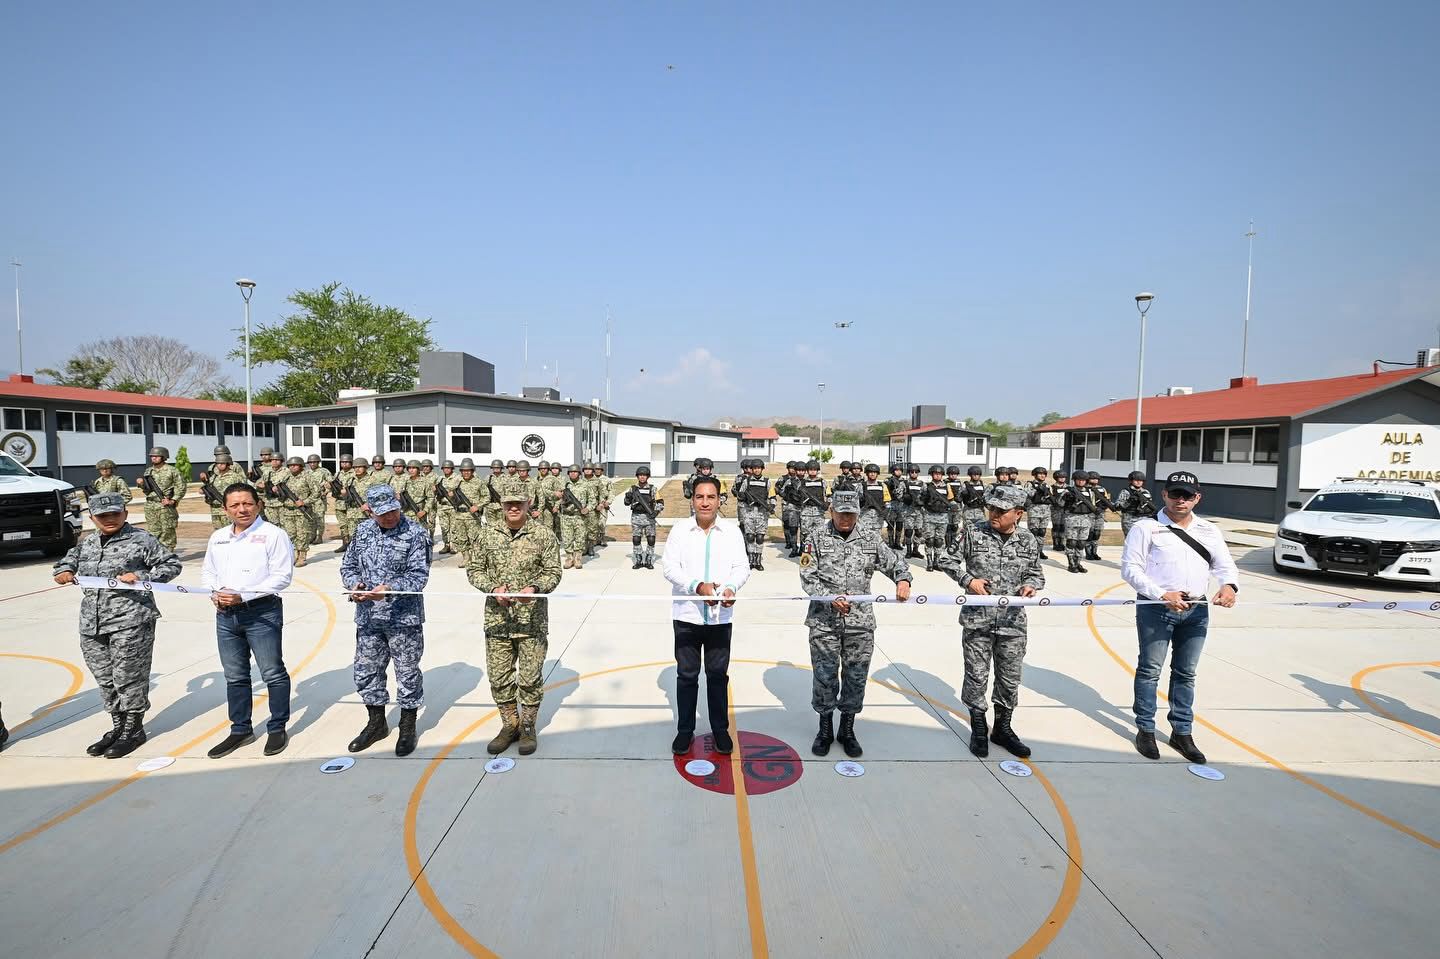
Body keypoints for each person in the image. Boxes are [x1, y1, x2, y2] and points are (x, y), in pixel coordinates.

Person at [1120, 471, 1239, 765]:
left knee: (1186, 673)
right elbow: (1130, 569)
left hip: (1196, 610)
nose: (1181, 500)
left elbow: (1225, 566)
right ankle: (1146, 728)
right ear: (1164, 495)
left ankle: (1181, 731)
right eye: (1175, 494)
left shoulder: (1209, 531)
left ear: (1197, 497)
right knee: (1150, 670)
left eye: (1187, 495)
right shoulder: (1145, 528)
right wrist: (1162, 594)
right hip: (1156, 609)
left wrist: (1229, 586)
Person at [52, 492, 182, 758]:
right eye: (102, 516)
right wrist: (63, 571)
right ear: (92, 518)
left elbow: (171, 564)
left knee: (129, 677)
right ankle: (118, 726)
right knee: (105, 678)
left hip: (131, 620)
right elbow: (66, 560)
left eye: (114, 514)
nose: (109, 519)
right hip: (92, 623)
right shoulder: (87, 543)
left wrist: (142, 575)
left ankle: (133, 729)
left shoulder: (141, 539)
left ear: (125, 513)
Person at [799, 490, 911, 758]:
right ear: (831, 511)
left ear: (858, 513)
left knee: (856, 676)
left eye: (851, 513)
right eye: (841, 513)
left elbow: (895, 562)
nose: (846, 518)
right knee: (825, 677)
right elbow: (807, 576)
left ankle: (847, 729)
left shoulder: (870, 537)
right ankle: (825, 728)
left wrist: (903, 579)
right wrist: (829, 598)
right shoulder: (815, 537)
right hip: (824, 622)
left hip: (860, 622)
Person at [935, 485, 1045, 758]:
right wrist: (968, 581)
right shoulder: (973, 532)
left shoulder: (1028, 540)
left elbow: (1036, 573)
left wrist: (1031, 585)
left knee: (1009, 679)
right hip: (978, 622)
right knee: (976, 677)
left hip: (1013, 623)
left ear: (1018, 514)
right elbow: (946, 559)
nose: (994, 513)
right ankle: (980, 729)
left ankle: (1003, 729)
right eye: (992, 508)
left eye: (1001, 510)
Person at [200, 483, 296, 758]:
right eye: (235, 505)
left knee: (272, 672)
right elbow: (208, 572)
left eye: (247, 504)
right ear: (225, 509)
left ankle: (277, 726)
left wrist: (244, 596)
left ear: (258, 504)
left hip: (261, 612)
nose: (242, 509)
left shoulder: (272, 535)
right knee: (235, 676)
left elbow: (281, 577)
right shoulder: (218, 537)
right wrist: (214, 592)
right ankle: (240, 729)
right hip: (225, 615)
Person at [340, 484, 434, 757]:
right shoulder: (362, 531)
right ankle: (376, 723)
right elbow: (348, 566)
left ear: (398, 503)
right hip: (369, 617)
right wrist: (355, 585)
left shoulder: (416, 533)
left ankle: (407, 726)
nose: (389, 517)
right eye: (382, 514)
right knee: (366, 671)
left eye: (393, 510)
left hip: (403, 618)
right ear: (369, 511)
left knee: (406, 673)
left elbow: (419, 577)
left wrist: (388, 588)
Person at [467, 492, 563, 756]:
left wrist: (535, 588)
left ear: (527, 504)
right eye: (508, 503)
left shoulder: (542, 534)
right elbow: (474, 569)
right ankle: (509, 724)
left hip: (531, 620)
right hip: (498, 620)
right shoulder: (487, 534)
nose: (513, 507)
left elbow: (554, 571)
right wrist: (493, 588)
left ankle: (528, 726)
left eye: (518, 503)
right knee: (499, 677)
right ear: (501, 505)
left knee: (530, 677)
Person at [662, 474, 750, 756]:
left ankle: (720, 730)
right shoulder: (679, 531)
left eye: (711, 497)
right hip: (687, 616)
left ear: (719, 500)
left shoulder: (732, 532)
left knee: (716, 675)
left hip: (719, 619)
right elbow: (670, 568)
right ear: (692, 500)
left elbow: (742, 567)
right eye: (699, 497)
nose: (705, 502)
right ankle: (685, 731)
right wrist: (696, 586)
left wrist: (730, 588)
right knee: (687, 675)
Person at [276, 456, 323, 566]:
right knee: (290, 534)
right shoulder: (286, 476)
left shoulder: (308, 476)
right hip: (287, 510)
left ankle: (302, 556)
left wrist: (305, 502)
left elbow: (317, 493)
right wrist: (276, 490)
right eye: (290, 465)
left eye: (295, 465)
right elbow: (279, 487)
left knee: (302, 534)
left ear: (301, 466)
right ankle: (294, 554)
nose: (292, 467)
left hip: (302, 511)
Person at [138, 445, 185, 551]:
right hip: (151, 505)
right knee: (153, 531)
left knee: (167, 531)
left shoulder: (172, 470)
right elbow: (147, 491)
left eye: (157, 456)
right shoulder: (148, 471)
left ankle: (167, 556)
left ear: (163, 457)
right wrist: (141, 484)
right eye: (152, 456)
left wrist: (173, 500)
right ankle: (156, 554)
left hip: (165, 505)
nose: (153, 458)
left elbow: (181, 486)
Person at [733, 458, 773, 570]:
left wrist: (771, 506)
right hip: (749, 512)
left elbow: (772, 496)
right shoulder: (747, 481)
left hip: (762, 513)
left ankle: (758, 561)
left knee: (760, 537)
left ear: (762, 469)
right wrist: (745, 497)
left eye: (758, 468)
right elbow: (740, 494)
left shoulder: (767, 481)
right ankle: (751, 560)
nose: (756, 470)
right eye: (754, 468)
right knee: (750, 537)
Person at [1056, 470, 1096, 573]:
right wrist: (1066, 498)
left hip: (1086, 520)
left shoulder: (1090, 492)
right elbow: (1059, 504)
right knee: (1071, 542)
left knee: (1081, 543)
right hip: (1072, 519)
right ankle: (1071, 564)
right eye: (1079, 480)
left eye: (1083, 480)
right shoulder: (1068, 491)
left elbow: (1093, 505)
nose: (1081, 482)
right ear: (1074, 480)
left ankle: (1078, 563)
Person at [624, 466, 663, 569]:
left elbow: (660, 502)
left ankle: (649, 558)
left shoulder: (653, 489)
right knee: (636, 539)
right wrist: (627, 498)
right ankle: (639, 558)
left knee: (651, 539)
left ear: (647, 477)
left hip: (649, 518)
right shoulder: (633, 488)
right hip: (636, 518)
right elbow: (627, 503)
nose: (642, 477)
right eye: (640, 475)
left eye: (644, 475)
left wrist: (656, 512)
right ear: (637, 476)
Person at [558, 463, 593, 569]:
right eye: (571, 472)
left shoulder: (586, 485)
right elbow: (555, 498)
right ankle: (569, 558)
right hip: (566, 516)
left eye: (575, 472)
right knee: (567, 539)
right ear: (568, 474)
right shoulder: (563, 485)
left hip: (579, 517)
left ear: (579, 473)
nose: (573, 474)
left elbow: (592, 500)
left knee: (580, 538)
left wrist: (588, 509)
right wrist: (558, 496)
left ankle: (578, 559)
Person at [200, 453, 247, 530]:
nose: (219, 465)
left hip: (228, 511)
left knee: (231, 531)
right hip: (215, 510)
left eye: (222, 463)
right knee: (218, 532)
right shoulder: (214, 477)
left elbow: (242, 492)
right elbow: (207, 487)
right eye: (218, 463)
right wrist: (203, 490)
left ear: (228, 464)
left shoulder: (235, 477)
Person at [919, 465, 952, 571]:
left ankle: (936, 562)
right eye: (935, 473)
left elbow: (951, 499)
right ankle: (929, 561)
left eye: (939, 474)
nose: (937, 475)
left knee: (939, 541)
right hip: (929, 516)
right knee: (929, 540)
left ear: (942, 475)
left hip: (942, 517)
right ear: (932, 475)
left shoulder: (947, 486)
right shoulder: (926, 486)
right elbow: (920, 499)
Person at [797, 460, 828, 555]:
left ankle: (818, 556)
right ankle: (806, 557)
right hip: (806, 512)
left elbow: (829, 494)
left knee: (820, 535)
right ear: (807, 470)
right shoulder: (801, 482)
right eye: (810, 469)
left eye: (814, 469)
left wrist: (828, 503)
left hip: (819, 512)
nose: (812, 471)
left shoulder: (823, 482)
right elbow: (797, 497)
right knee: (806, 535)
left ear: (817, 470)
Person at [1114, 470, 1158, 536]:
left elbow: (1150, 505)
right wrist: (1129, 501)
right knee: (1131, 540)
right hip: (1130, 519)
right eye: (1136, 480)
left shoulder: (1146, 492)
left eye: (1141, 480)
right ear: (1131, 481)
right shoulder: (1126, 492)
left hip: (1144, 519)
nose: (1139, 482)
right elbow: (1117, 506)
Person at [1024, 467, 1053, 561]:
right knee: (1034, 532)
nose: (1042, 475)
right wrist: (1037, 489)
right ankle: (1032, 550)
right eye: (1040, 474)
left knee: (1042, 532)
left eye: (1044, 474)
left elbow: (1050, 496)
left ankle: (1040, 550)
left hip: (1045, 511)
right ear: (1035, 475)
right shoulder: (1030, 484)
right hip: (1034, 511)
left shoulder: (1047, 485)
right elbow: (1027, 494)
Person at [901, 464, 926, 559]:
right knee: (908, 531)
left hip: (919, 511)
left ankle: (916, 549)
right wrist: (904, 498)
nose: (914, 473)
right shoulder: (904, 483)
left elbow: (926, 495)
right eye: (912, 472)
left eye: (916, 472)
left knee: (919, 531)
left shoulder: (922, 484)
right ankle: (908, 550)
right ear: (909, 473)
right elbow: (898, 495)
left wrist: (922, 501)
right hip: (908, 511)